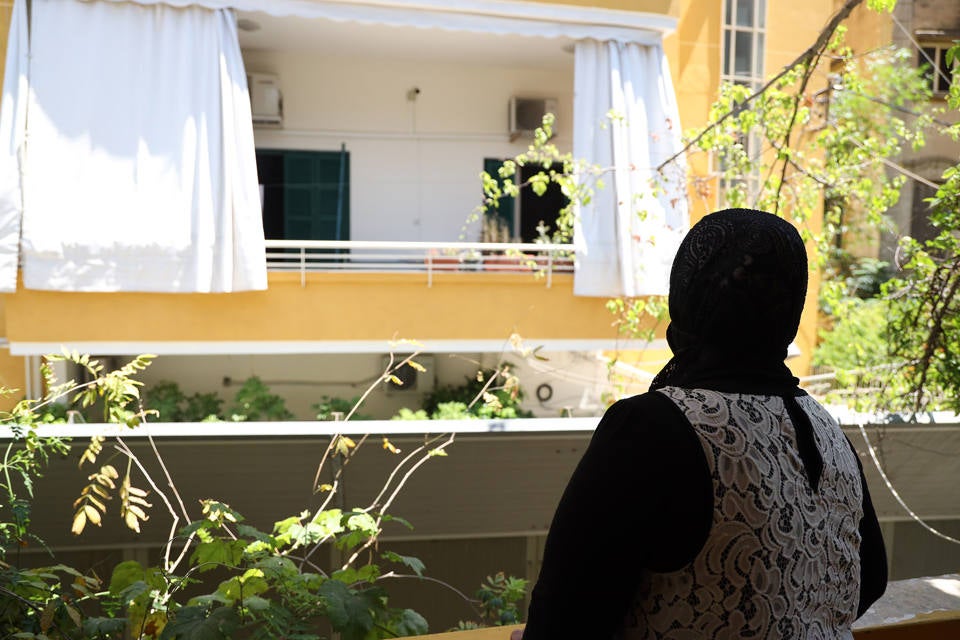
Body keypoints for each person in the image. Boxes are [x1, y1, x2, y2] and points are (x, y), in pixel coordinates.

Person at [516, 208, 887, 639]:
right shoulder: (826, 430)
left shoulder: (651, 430)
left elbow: (565, 617)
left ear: (689, 294)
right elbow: (868, 579)